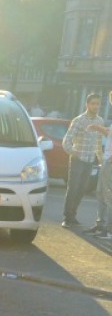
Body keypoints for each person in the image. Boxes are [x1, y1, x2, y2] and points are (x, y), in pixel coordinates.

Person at [60, 92, 108, 228]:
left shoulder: (100, 121)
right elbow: (67, 140)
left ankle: (73, 215)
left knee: (82, 189)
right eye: (93, 104)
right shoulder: (79, 120)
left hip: (89, 160)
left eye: (98, 104)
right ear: (87, 104)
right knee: (73, 188)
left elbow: (98, 141)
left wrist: (100, 158)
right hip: (77, 159)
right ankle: (67, 217)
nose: (96, 106)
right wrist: (72, 151)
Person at [94, 91, 112, 239]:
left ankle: (109, 230)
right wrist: (99, 129)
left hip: (110, 162)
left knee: (108, 195)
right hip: (106, 160)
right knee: (100, 192)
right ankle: (101, 225)